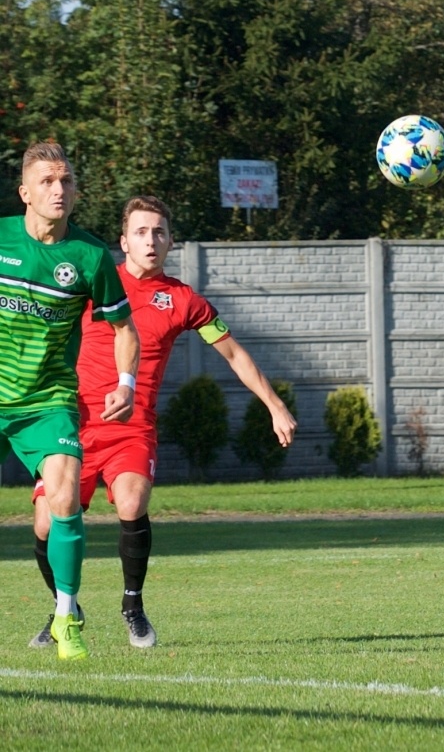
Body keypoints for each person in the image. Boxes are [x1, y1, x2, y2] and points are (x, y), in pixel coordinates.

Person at [27, 195, 298, 650]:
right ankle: (64, 608)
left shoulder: (183, 300)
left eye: (158, 232)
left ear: (171, 242)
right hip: (73, 424)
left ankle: (132, 606)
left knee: (131, 504)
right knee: (43, 523)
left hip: (133, 429)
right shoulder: (93, 281)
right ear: (123, 242)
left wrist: (274, 405)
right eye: (140, 232)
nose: (150, 240)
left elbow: (233, 353)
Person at [0, 140, 138, 660]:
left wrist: (125, 383)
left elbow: (125, 328)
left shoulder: (89, 255)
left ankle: (66, 617)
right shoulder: (0, 239)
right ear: (25, 193)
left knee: (62, 499)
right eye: (47, 182)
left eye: (66, 181)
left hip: (47, 402)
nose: (59, 190)